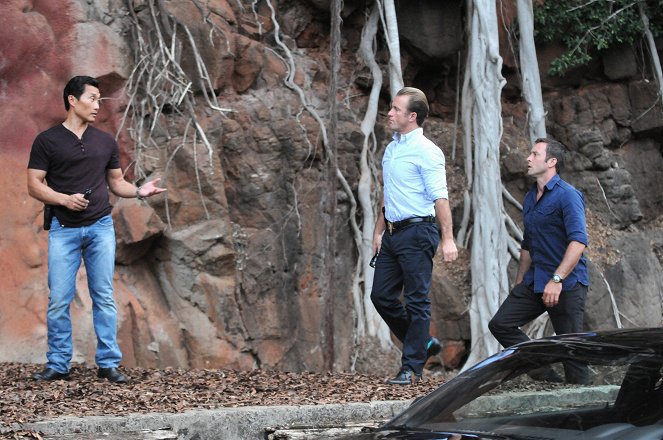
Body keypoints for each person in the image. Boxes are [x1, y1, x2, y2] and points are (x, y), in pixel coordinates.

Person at [27, 76, 166, 383]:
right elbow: (34, 185)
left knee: (103, 295)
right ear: (72, 101)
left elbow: (116, 182)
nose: (97, 105)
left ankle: (108, 364)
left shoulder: (104, 141)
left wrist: (140, 191)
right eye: (91, 98)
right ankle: (58, 364)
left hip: (101, 227)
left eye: (100, 99)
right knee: (59, 299)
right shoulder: (47, 141)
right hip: (63, 229)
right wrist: (64, 199)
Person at [371, 87, 458, 385]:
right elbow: (387, 194)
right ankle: (423, 343)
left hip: (419, 231)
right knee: (380, 296)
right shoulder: (392, 148)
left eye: (395, 109)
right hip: (393, 234)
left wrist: (447, 238)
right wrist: (379, 231)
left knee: (417, 300)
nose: (390, 113)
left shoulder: (428, 151)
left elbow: (440, 198)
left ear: (412, 116)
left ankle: (411, 368)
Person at [488, 138, 590, 384]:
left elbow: (578, 242)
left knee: (571, 349)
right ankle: (547, 376)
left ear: (552, 162)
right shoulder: (530, 197)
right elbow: (528, 244)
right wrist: (520, 280)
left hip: (567, 283)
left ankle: (585, 408)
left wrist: (557, 279)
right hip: (535, 281)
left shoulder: (568, 196)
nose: (528, 158)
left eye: (535, 154)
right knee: (501, 324)